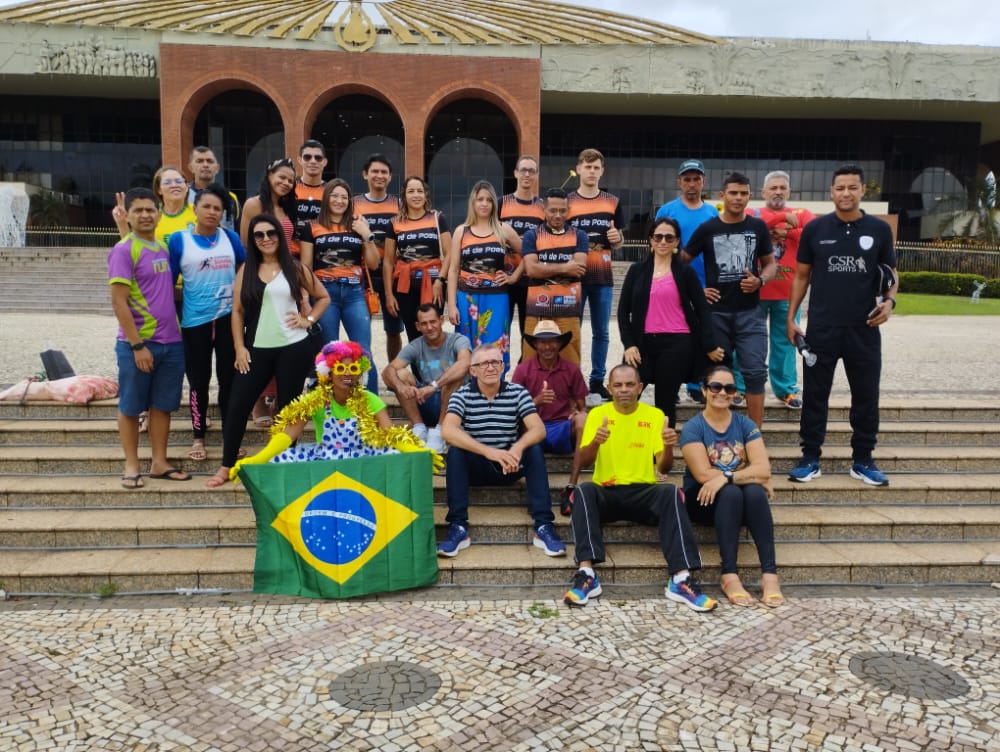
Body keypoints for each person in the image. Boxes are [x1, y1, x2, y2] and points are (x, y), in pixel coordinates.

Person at [562, 363, 716, 611]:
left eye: (630, 384)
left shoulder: (654, 416)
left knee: (669, 492)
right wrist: (596, 443)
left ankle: (681, 578)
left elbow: (664, 469)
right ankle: (587, 574)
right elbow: (585, 461)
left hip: (643, 492)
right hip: (608, 492)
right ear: (610, 388)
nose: (624, 390)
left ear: (640, 387)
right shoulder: (597, 415)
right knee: (583, 490)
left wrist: (667, 446)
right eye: (618, 385)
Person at [787, 164, 898, 487]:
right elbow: (802, 276)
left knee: (866, 396)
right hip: (822, 329)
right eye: (840, 188)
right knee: (815, 396)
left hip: (864, 328)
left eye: (852, 187)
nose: (846, 193)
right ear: (831, 192)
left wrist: (889, 303)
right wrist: (791, 318)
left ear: (863, 190)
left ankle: (863, 460)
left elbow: (891, 274)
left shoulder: (878, 230)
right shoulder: (816, 229)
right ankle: (810, 458)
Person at [206, 214, 330, 488]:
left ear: (279, 236)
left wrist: (308, 320)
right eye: (259, 235)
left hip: (293, 348)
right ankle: (227, 465)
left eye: (271, 233)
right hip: (256, 349)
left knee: (288, 409)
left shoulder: (294, 267)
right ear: (253, 240)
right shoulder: (246, 270)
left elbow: (323, 297)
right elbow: (237, 312)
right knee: (238, 405)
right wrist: (239, 347)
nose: (266, 239)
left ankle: (284, 460)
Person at [228, 341, 435, 478]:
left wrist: (419, 452)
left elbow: (391, 434)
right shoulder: (315, 399)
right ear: (328, 372)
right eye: (340, 368)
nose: (347, 374)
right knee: (279, 460)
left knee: (395, 455)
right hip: (325, 461)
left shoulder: (369, 399)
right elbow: (288, 435)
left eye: (353, 368)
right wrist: (258, 459)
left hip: (360, 460)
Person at [438, 344, 565, 558]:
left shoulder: (517, 393)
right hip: (476, 469)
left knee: (533, 448)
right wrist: (488, 452)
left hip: (509, 466)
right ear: (473, 370)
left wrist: (517, 447)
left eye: (495, 362)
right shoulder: (462, 395)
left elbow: (538, 429)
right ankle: (458, 527)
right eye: (483, 363)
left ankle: (543, 526)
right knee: (456, 452)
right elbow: (448, 430)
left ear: (503, 366)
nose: (490, 368)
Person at [680, 365, 783, 607]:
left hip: (737, 496)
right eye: (716, 387)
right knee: (735, 492)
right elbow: (704, 475)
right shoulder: (694, 428)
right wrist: (748, 476)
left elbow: (764, 469)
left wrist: (727, 477)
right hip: (702, 500)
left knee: (753, 492)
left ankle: (769, 575)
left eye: (729, 388)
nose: (722, 392)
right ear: (705, 391)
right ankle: (729, 574)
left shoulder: (745, 425)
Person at [107, 187, 190, 488]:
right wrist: (137, 345)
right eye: (138, 210)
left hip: (172, 342)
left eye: (150, 209)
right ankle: (131, 464)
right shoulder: (123, 250)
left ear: (159, 213)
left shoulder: (162, 248)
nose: (145, 215)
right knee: (131, 405)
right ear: (127, 215)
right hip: (140, 343)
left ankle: (159, 462)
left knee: (163, 405)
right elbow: (119, 302)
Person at [684, 172, 775, 428]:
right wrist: (697, 290)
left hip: (750, 314)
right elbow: (681, 262)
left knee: (755, 373)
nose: (738, 198)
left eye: (743, 193)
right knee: (717, 375)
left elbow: (770, 264)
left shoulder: (757, 227)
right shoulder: (708, 228)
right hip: (716, 315)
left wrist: (760, 280)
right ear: (722, 196)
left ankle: (755, 435)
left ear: (750, 196)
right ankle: (716, 430)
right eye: (733, 193)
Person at [167, 184, 246, 462]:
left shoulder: (231, 239)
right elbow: (167, 282)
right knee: (198, 382)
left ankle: (230, 436)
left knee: (229, 382)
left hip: (228, 321)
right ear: (194, 208)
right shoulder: (179, 241)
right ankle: (198, 436)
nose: (212, 212)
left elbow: (244, 275)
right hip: (194, 323)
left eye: (217, 208)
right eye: (207, 207)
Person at [619, 217, 723, 428]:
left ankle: (661, 456)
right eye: (658, 236)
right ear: (650, 240)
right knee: (626, 396)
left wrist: (709, 344)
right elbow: (622, 312)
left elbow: (702, 310)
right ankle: (624, 446)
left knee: (664, 404)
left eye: (669, 237)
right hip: (642, 344)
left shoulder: (686, 273)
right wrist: (629, 344)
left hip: (677, 344)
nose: (663, 241)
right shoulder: (636, 271)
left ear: (676, 242)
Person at [298, 178, 379, 392]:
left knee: (363, 351)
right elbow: (305, 268)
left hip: (354, 292)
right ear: (326, 199)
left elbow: (373, 263)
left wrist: (367, 234)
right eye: (335, 195)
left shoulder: (357, 224)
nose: (339, 200)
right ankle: (329, 408)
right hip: (324, 294)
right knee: (328, 353)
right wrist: (305, 300)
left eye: (344, 197)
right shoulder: (312, 227)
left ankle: (369, 411)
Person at [655, 158, 719, 404]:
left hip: (706, 285)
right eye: (687, 179)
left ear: (703, 181)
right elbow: (658, 247)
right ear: (679, 182)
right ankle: (672, 382)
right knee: (675, 335)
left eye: (696, 179)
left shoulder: (713, 213)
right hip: (673, 283)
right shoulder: (667, 211)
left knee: (702, 334)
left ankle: (696, 383)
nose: (692, 184)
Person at [751, 171, 816, 409]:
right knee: (749, 342)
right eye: (773, 187)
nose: (778, 191)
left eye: (782, 188)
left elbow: (813, 237)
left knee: (786, 342)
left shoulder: (803, 214)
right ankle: (741, 386)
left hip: (789, 294)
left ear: (789, 192)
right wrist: (777, 222)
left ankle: (786, 389)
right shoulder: (753, 212)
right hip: (755, 292)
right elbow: (753, 230)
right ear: (763, 192)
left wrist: (788, 231)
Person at [510, 320, 588, 515]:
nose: (547, 346)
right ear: (535, 344)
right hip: (534, 429)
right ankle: (536, 493)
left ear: (560, 343)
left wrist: (579, 413)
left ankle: (571, 486)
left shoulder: (571, 369)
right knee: (525, 426)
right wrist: (535, 401)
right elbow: (511, 408)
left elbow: (583, 406)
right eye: (542, 342)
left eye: (552, 341)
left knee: (584, 419)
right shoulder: (523, 370)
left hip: (562, 427)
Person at [567, 148, 625, 404]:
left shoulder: (612, 201)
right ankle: (573, 378)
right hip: (574, 276)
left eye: (596, 167)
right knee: (573, 330)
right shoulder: (567, 202)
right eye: (587, 167)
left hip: (602, 276)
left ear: (602, 171)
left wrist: (618, 238)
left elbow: (619, 240)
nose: (591, 171)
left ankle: (597, 380)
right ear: (579, 169)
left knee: (602, 331)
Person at [446, 181, 522, 373]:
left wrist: (512, 278)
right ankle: (468, 391)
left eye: (489, 200)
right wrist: (452, 305)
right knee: (466, 346)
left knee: (495, 344)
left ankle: (497, 389)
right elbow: (453, 270)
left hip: (496, 298)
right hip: (466, 298)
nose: (484, 203)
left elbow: (529, 256)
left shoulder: (503, 229)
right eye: (480, 199)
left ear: (494, 204)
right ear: (473, 202)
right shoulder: (461, 231)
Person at [381, 303, 471, 454]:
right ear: (417, 326)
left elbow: (465, 363)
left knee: (454, 376)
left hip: (456, 405)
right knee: (400, 374)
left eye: (433, 322)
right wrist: (401, 387)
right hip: (426, 401)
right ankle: (419, 428)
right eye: (424, 323)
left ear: (441, 320)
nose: (429, 327)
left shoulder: (458, 340)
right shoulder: (416, 345)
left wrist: (434, 385)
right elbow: (387, 371)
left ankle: (441, 432)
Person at [520, 187, 587, 365]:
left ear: (568, 210)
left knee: (571, 359)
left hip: (568, 307)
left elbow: (579, 268)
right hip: (538, 307)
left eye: (562, 210)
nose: (558, 215)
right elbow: (532, 270)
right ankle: (530, 393)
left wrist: (545, 267)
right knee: (530, 359)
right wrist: (566, 267)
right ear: (544, 210)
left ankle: (570, 394)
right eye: (553, 210)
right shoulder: (531, 235)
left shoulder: (579, 235)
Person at [384, 176, 451, 342]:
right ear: (404, 196)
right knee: (413, 335)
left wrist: (440, 281)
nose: (416, 195)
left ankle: (437, 368)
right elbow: (387, 261)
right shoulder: (394, 223)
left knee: (433, 332)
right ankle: (417, 369)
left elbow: (450, 254)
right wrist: (388, 295)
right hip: (405, 288)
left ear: (426, 195)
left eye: (420, 191)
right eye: (411, 191)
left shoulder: (437, 218)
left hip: (434, 284)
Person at [355, 154, 405, 363]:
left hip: (391, 274)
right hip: (363, 274)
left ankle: (394, 373)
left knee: (393, 329)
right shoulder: (353, 203)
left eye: (384, 172)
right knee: (360, 328)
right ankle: (365, 376)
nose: (379, 175)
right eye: (374, 171)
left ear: (390, 177)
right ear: (365, 174)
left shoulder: (400, 205)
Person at [500, 155, 546, 339]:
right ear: (516, 173)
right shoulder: (501, 203)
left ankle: (525, 367)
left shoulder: (543, 207)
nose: (527, 174)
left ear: (536, 175)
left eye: (531, 171)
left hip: (532, 280)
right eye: (523, 170)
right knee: (502, 333)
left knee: (529, 334)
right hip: (503, 278)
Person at [240, 157, 298, 252]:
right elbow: (245, 244)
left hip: (287, 264)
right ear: (270, 175)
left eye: (290, 181)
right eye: (282, 177)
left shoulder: (287, 207)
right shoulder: (254, 204)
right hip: (263, 265)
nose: (286, 183)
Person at [186, 146, 240, 231]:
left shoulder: (230, 198)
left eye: (210, 161)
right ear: (190, 168)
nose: (205, 165)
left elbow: (237, 231)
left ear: (217, 168)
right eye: (199, 161)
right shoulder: (183, 196)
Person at [294, 139, 328, 227]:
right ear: (300, 160)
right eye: (307, 157)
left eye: (318, 158)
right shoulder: (289, 188)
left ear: (324, 162)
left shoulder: (331, 191)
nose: (313, 161)